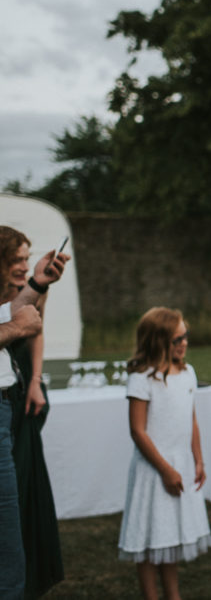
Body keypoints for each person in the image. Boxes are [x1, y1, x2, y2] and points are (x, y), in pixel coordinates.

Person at [117, 307, 211, 600]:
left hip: (181, 462)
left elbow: (191, 419)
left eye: (185, 336)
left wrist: (197, 458)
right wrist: (165, 470)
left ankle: (173, 595)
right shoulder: (142, 378)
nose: (184, 343)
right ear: (158, 341)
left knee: (169, 533)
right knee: (148, 536)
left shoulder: (187, 373)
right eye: (177, 339)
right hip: (154, 469)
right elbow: (138, 431)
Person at [0, 228, 68, 599]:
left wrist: (38, 284)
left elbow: (14, 314)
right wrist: (16, 328)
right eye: (18, 259)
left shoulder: (24, 289)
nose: (24, 266)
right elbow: (15, 322)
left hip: (12, 395)